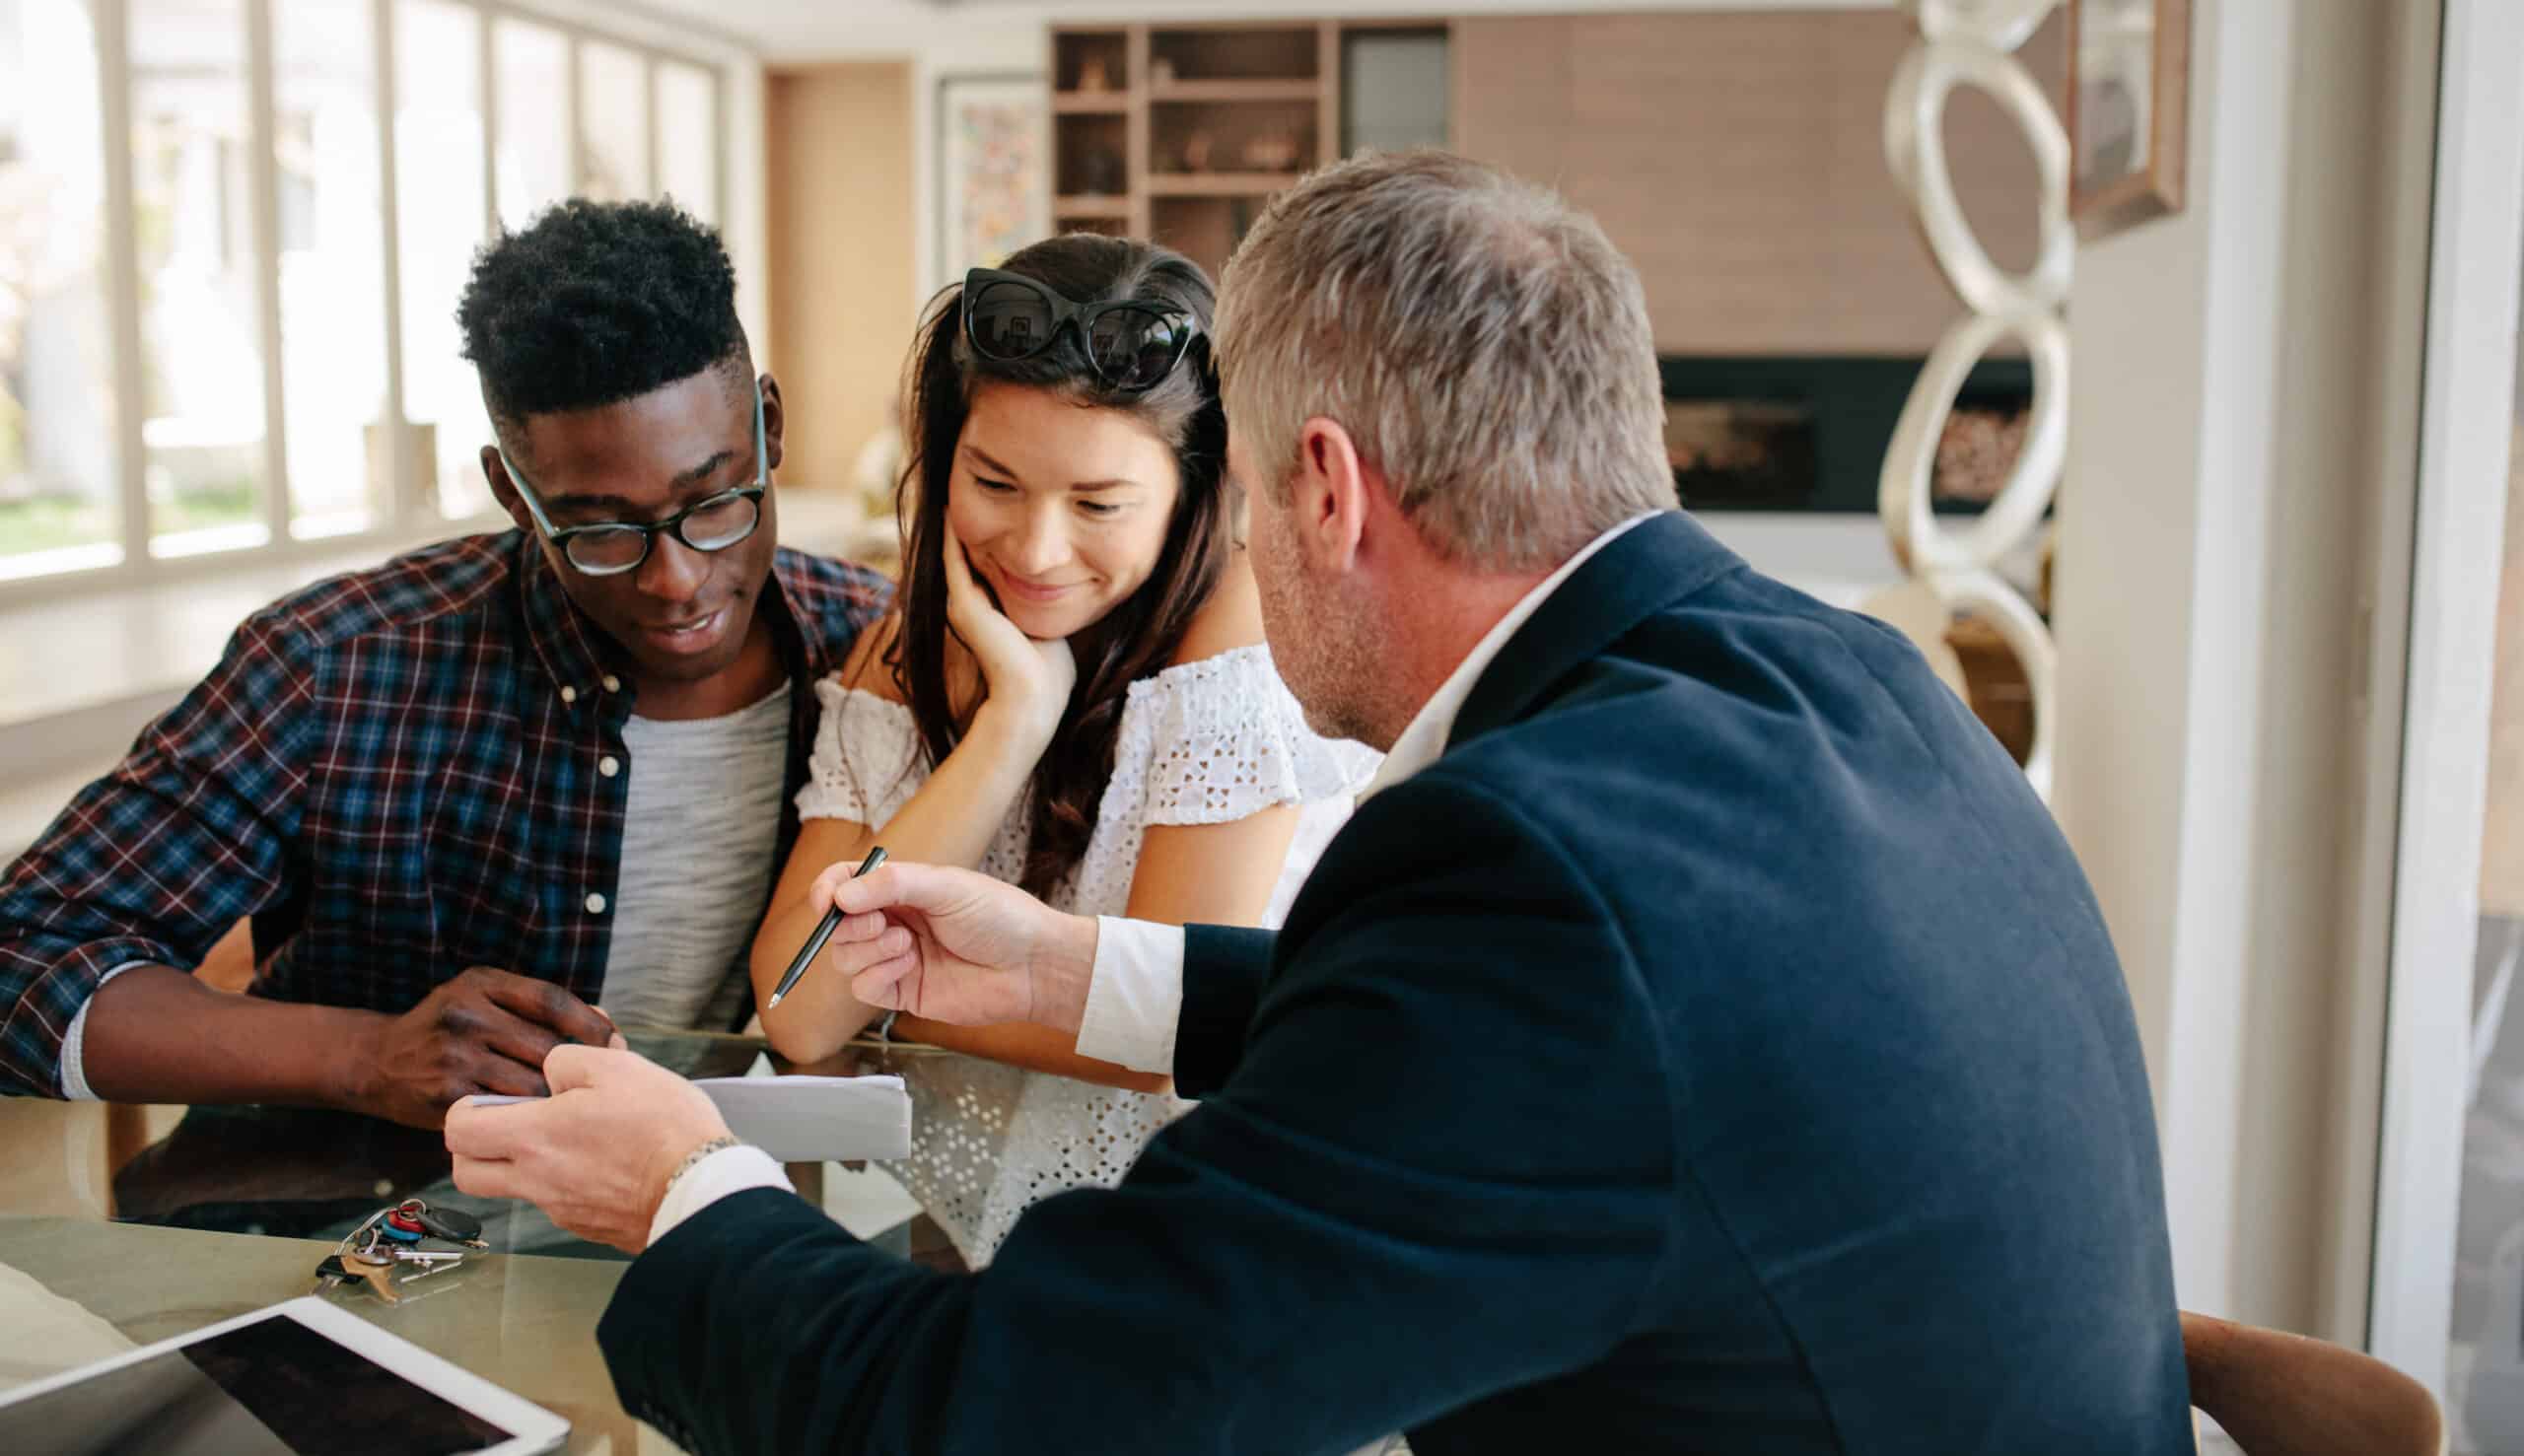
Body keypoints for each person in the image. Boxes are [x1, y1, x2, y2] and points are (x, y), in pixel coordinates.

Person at [449, 153, 2192, 1454]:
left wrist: (689, 1190)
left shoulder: (1530, 861)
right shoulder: (1849, 678)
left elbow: (1022, 1421)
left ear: (1323, 487)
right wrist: (1078, 975)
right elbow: (1577, 1052)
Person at [0, 199, 887, 1127]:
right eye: (598, 530)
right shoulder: (338, 666)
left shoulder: (874, 661)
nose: (676, 579)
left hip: (691, 1221)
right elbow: (23, 961)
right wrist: (364, 1055)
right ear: (513, 492)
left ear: (769, 425)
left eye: (715, 502)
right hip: (337, 1227)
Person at [747, 236, 1375, 1266]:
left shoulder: (1239, 648)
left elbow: (1159, 1029)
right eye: (993, 482)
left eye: (1097, 505)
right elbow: (803, 1012)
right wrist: (1010, 728)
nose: (1037, 551)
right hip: (963, 1229)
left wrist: (896, 1006)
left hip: (1202, 1244)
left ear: (1193, 491)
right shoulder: (903, 649)